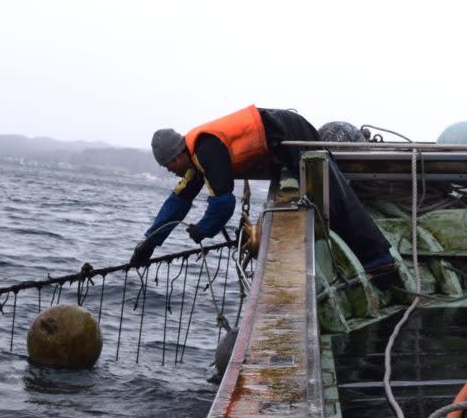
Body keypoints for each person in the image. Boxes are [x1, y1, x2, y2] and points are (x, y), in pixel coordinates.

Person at [131, 105, 397, 285]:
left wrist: (203, 229)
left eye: (168, 165)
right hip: (276, 142)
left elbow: (224, 201)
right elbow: (177, 203)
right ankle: (371, 260)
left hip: (287, 130)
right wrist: (148, 244)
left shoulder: (205, 148)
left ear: (177, 155)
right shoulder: (194, 160)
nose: (169, 171)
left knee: (331, 196)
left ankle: (379, 261)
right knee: (326, 198)